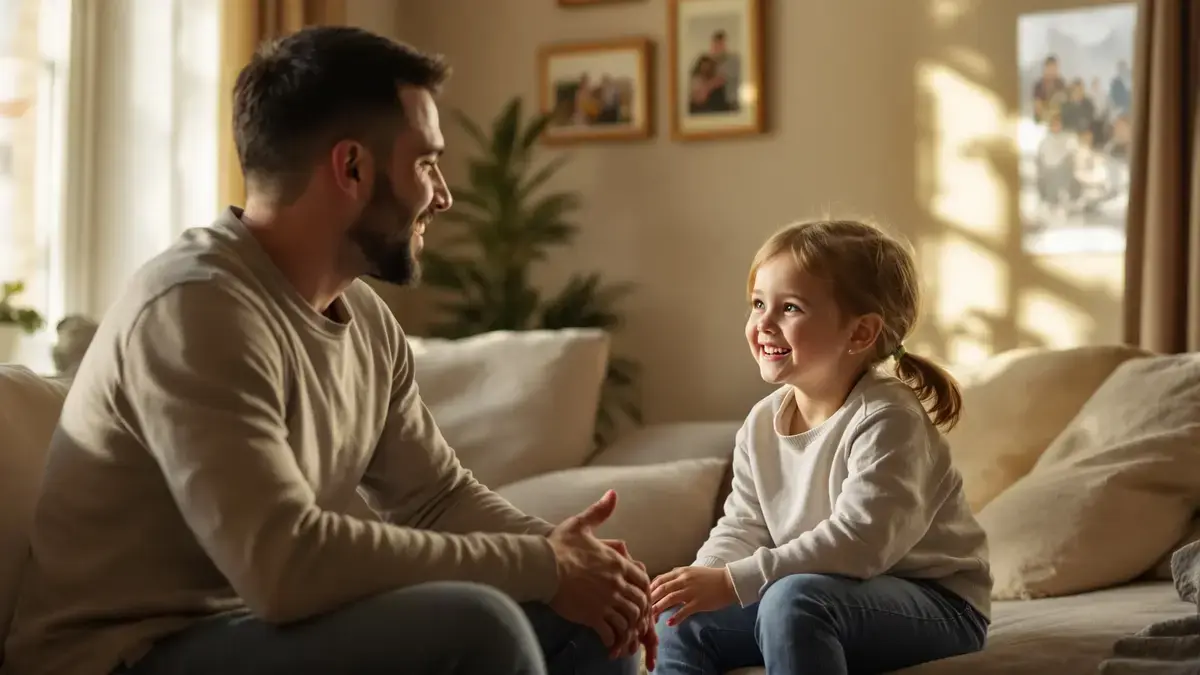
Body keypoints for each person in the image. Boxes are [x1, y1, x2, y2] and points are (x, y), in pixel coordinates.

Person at [0, 26, 655, 675]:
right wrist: (542, 565)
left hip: (249, 631)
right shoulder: (194, 306)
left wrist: (579, 562)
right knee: (479, 627)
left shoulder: (366, 318)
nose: (444, 194)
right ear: (352, 167)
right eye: (426, 162)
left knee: (590, 620)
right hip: (125, 654)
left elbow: (434, 498)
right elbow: (284, 564)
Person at [648, 220, 992, 674]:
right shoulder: (760, 423)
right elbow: (744, 525)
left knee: (793, 600)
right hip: (827, 591)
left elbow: (860, 542)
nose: (764, 324)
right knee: (682, 620)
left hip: (936, 604)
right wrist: (699, 580)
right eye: (757, 304)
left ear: (860, 334)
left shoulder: (888, 418)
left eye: (789, 308)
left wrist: (736, 581)